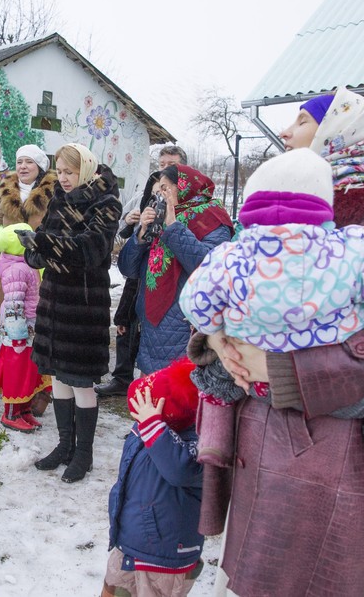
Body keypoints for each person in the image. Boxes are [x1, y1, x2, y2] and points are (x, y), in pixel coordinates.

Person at [187, 87, 364, 596]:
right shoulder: (288, 203)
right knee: (255, 575)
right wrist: (221, 341)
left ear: (338, 134)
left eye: (302, 121)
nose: (288, 133)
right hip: (269, 426)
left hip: (317, 444)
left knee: (297, 579)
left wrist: (285, 370)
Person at [181, 148, 364, 531]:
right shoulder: (355, 250)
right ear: (324, 205)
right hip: (336, 393)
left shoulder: (229, 256)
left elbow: (195, 305)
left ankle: (214, 438)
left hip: (254, 386)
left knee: (214, 370)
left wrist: (216, 331)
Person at [22, 143, 122, 483]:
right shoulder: (58, 200)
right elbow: (41, 250)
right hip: (54, 303)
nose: (63, 178)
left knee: (81, 382)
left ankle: (84, 454)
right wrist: (34, 249)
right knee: (59, 378)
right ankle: (65, 445)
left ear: (87, 169)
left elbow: (90, 251)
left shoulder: (106, 203)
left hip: (83, 305)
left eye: (69, 172)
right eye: (60, 171)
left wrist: (43, 244)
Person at [117, 164, 233, 375]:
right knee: (151, 395)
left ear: (183, 187)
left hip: (184, 322)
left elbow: (210, 268)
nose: (159, 196)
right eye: (156, 192)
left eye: (164, 189)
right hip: (152, 322)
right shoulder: (159, 218)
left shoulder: (211, 217)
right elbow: (128, 269)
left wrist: (174, 227)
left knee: (176, 392)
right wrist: (141, 234)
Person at [102, 357, 204, 597]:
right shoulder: (144, 428)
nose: (139, 418)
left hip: (165, 558)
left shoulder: (201, 444)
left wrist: (153, 427)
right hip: (129, 543)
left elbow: (178, 470)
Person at [0, 144, 57, 413]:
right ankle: (16, 388)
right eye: (19, 162)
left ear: (40, 166)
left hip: (42, 270)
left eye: (29, 162)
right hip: (11, 273)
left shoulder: (53, 194)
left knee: (41, 332)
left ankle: (42, 390)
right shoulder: (6, 194)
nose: (23, 167)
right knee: (16, 335)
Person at [95, 171, 159, 398]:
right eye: (161, 164)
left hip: (159, 280)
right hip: (136, 277)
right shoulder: (143, 201)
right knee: (124, 324)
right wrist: (133, 223)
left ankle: (148, 389)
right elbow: (125, 238)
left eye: (170, 165)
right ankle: (122, 378)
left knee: (147, 334)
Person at [0, 223, 49, 432]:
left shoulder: (26, 265)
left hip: (29, 329)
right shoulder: (17, 269)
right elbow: (14, 305)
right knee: (17, 372)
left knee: (29, 372)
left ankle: (24, 409)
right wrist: (18, 336)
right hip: (19, 334)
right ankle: (11, 412)